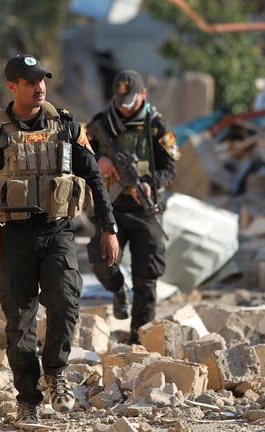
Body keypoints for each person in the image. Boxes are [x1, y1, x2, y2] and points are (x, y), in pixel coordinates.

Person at [0, 54, 119, 427]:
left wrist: (109, 228)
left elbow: (94, 178)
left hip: (57, 231)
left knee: (66, 302)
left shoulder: (64, 125)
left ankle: (57, 374)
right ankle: (28, 400)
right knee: (20, 322)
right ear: (12, 86)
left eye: (42, 80)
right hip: (12, 236)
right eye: (30, 82)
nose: (39, 87)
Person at [85, 68, 180, 345]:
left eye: (130, 103)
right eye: (120, 103)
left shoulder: (156, 126)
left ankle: (140, 340)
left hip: (144, 210)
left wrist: (150, 182)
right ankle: (117, 291)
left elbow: (171, 168)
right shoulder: (101, 124)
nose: (124, 110)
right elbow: (76, 155)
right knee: (102, 260)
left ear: (144, 95)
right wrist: (97, 162)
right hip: (110, 209)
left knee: (147, 279)